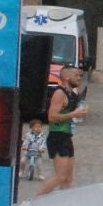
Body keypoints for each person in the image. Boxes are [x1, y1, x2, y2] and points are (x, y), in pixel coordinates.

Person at [35, 66, 88, 197]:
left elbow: (71, 113)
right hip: (57, 137)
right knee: (60, 176)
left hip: (66, 136)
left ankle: (65, 204)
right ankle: (34, 199)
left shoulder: (73, 94)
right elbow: (52, 117)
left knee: (68, 178)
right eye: (76, 75)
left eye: (80, 76)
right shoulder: (59, 93)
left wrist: (78, 114)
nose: (79, 78)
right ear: (66, 77)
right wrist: (73, 114)